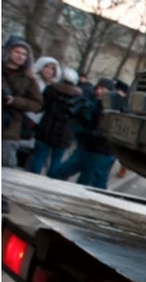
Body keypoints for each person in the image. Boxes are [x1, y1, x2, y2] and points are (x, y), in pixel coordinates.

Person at [48, 78, 119, 188]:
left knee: (91, 185)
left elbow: (109, 132)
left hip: (101, 153)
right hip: (85, 148)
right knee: (58, 173)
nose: (99, 92)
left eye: (103, 89)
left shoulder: (115, 109)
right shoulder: (93, 103)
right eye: (98, 88)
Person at [28, 67, 82, 175]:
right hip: (64, 133)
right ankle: (50, 185)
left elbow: (40, 107)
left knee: (38, 159)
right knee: (56, 162)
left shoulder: (50, 90)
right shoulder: (78, 96)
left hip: (45, 129)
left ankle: (31, 181)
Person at [1, 36, 42, 167]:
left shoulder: (28, 79)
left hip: (10, 127)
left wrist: (15, 101)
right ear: (8, 51)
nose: (20, 56)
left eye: (24, 54)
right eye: (17, 52)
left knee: (6, 166)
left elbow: (37, 104)